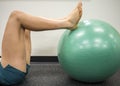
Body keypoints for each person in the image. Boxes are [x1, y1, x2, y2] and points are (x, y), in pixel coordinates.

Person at [0, 1, 82, 85]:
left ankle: (66, 19)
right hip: (8, 73)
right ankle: (67, 23)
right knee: (16, 16)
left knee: (27, 26)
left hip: (16, 70)